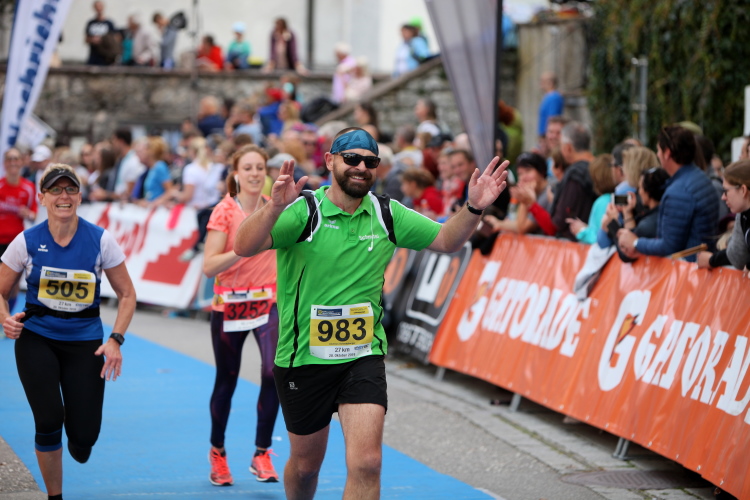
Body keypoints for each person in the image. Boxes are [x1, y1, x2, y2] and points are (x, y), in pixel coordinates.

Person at [232, 127, 507, 500]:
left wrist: (473, 207)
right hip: (302, 360)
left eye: (370, 161)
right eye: (352, 159)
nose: (361, 167)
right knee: (306, 465)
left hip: (362, 355)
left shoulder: (386, 213)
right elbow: (243, 246)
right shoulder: (304, 210)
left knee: (367, 463)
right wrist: (274, 207)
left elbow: (446, 240)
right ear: (330, 161)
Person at [0, 164, 136, 500]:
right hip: (37, 339)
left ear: (79, 196)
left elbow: (127, 295)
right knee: (48, 419)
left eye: (70, 189)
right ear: (42, 197)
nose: (64, 196)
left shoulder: (100, 240)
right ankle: (55, 497)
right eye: (56, 190)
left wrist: (115, 339)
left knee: (84, 438)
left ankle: (80, 439)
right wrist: (4, 318)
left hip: (85, 343)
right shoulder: (26, 241)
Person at [202, 145, 281, 486]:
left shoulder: (275, 208)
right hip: (230, 305)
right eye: (247, 168)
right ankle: (218, 452)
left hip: (268, 302)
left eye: (259, 167)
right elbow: (209, 266)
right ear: (236, 173)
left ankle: (262, 453)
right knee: (227, 379)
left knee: (274, 371)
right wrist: (241, 248)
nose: (254, 173)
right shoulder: (224, 211)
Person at [618, 126, 720, 261]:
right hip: (700, 263)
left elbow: (669, 245)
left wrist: (636, 242)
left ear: (667, 153)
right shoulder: (702, 178)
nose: (657, 155)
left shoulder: (678, 192)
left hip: (689, 268)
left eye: (659, 150)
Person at [602, 167, 670, 261]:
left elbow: (627, 253)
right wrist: (628, 212)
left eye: (640, 188)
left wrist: (613, 224)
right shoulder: (666, 212)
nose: (639, 192)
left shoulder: (647, 225)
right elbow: (632, 234)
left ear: (647, 192)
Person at [0, 148, 37, 313]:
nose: (13, 162)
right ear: (5, 163)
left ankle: (6, 317)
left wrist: (27, 213)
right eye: (10, 159)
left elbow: (34, 214)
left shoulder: (28, 187)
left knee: (13, 286)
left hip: (16, 242)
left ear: (22, 162)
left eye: (16, 159)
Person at [697, 160, 750, 270]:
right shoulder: (743, 214)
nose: (723, 197)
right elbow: (737, 256)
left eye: (726, 191)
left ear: (743, 190)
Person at [550, 121, 596, 241]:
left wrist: (554, 200)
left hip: (576, 243)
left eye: (561, 145)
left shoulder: (575, 175)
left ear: (568, 148)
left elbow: (560, 220)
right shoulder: (601, 168)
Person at [566, 154, 616, 244]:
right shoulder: (615, 198)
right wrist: (585, 228)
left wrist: (582, 231)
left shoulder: (602, 202)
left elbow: (600, 238)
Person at [84, 1, 117, 65]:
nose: (98, 8)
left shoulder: (109, 23)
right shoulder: (91, 23)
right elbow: (86, 39)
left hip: (106, 56)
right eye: (97, 7)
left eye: (100, 6)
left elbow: (114, 39)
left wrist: (102, 39)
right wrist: (92, 40)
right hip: (93, 55)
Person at [537, 71, 564, 139]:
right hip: (544, 135)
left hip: (548, 137)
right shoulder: (548, 97)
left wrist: (548, 137)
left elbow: (552, 119)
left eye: (543, 81)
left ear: (550, 83)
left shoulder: (554, 98)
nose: (541, 84)